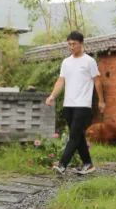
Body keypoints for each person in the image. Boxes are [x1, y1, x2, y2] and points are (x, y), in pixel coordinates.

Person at [44, 31, 105, 174]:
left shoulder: (89, 61)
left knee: (74, 136)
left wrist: (101, 101)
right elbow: (61, 81)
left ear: (81, 44)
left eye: (74, 44)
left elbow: (97, 81)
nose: (71, 47)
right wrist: (52, 95)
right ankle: (88, 164)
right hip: (68, 104)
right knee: (78, 136)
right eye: (69, 44)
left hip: (83, 105)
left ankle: (62, 165)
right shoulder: (66, 62)